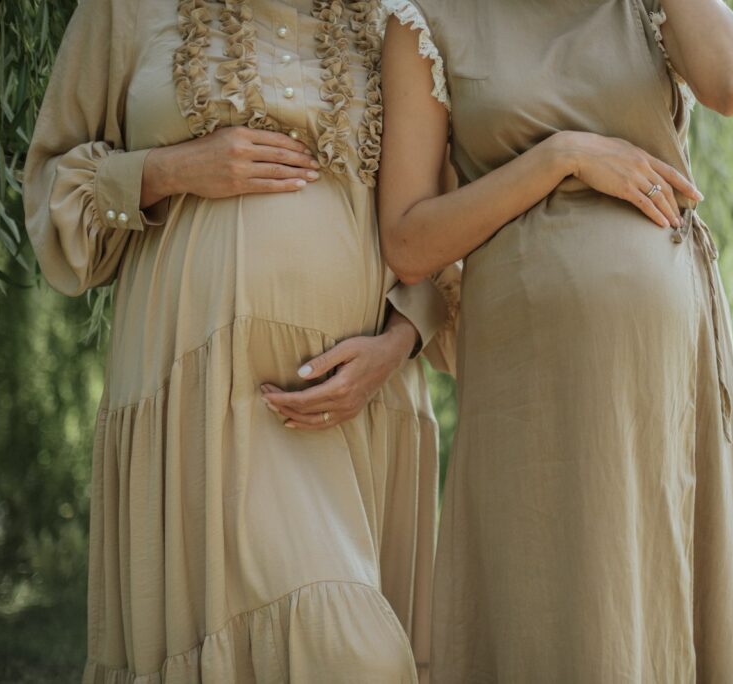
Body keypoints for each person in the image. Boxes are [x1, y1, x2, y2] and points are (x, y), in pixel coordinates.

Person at [24, 0, 456, 680]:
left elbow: (438, 220)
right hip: (202, 401)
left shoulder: (394, 16)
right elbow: (53, 196)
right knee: (351, 659)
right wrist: (172, 170)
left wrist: (400, 343)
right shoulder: (126, 10)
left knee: (357, 655)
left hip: (359, 407)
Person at [378, 0, 733, 681]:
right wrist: (562, 158)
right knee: (553, 603)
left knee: (668, 593)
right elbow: (410, 241)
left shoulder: (648, 9)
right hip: (532, 376)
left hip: (665, 369)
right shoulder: (425, 19)